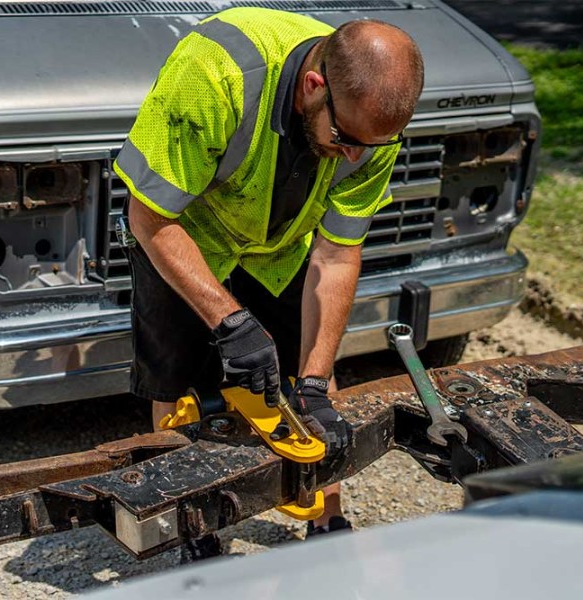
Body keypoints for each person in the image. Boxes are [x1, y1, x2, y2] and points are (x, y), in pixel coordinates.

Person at [113, 6, 424, 543]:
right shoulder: (213, 74)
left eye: (369, 146)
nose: (354, 155)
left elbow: (338, 253)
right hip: (182, 233)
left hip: (280, 242)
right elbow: (150, 218)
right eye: (344, 137)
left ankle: (328, 519)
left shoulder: (370, 122)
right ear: (313, 86)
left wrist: (314, 383)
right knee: (177, 381)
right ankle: (192, 528)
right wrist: (230, 322)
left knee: (312, 376)